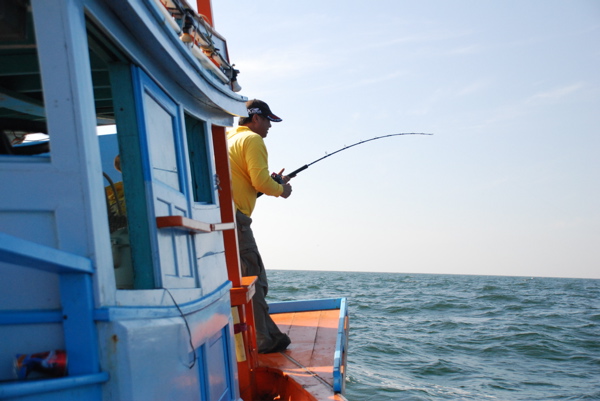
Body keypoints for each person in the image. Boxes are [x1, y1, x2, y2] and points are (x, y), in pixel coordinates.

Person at [227, 99, 293, 354]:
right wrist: (281, 189)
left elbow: (249, 182)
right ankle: (263, 340)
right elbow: (261, 182)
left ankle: (261, 337)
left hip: (225, 217)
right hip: (238, 222)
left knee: (241, 279)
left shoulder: (229, 137)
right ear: (255, 118)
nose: (269, 126)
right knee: (255, 279)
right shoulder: (253, 140)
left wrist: (270, 181)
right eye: (267, 120)